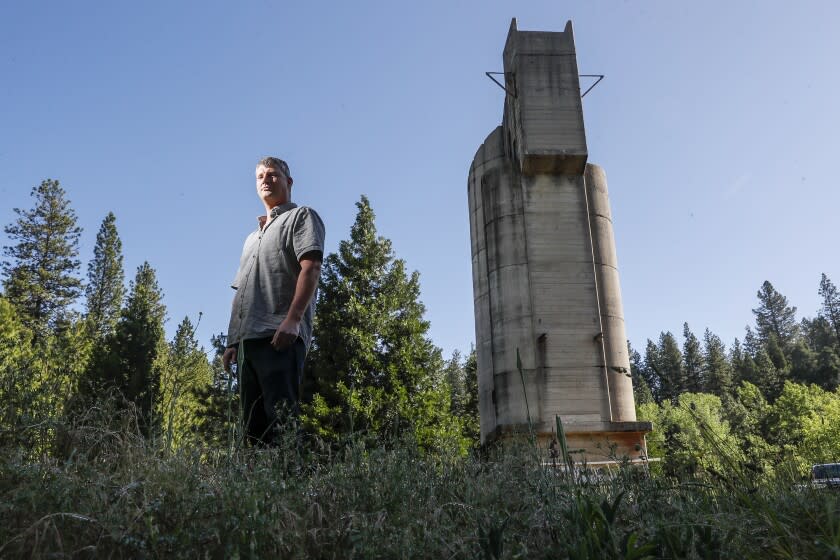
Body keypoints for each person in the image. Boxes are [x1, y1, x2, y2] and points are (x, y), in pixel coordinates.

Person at [223, 156, 325, 446]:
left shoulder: (302, 217)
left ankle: (290, 487)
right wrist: (232, 341)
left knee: (282, 424)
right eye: (260, 176)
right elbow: (240, 291)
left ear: (288, 181)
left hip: (280, 337)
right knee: (251, 433)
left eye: (272, 174)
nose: (265, 180)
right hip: (247, 343)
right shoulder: (250, 239)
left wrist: (292, 320)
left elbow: (311, 268)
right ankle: (256, 491)